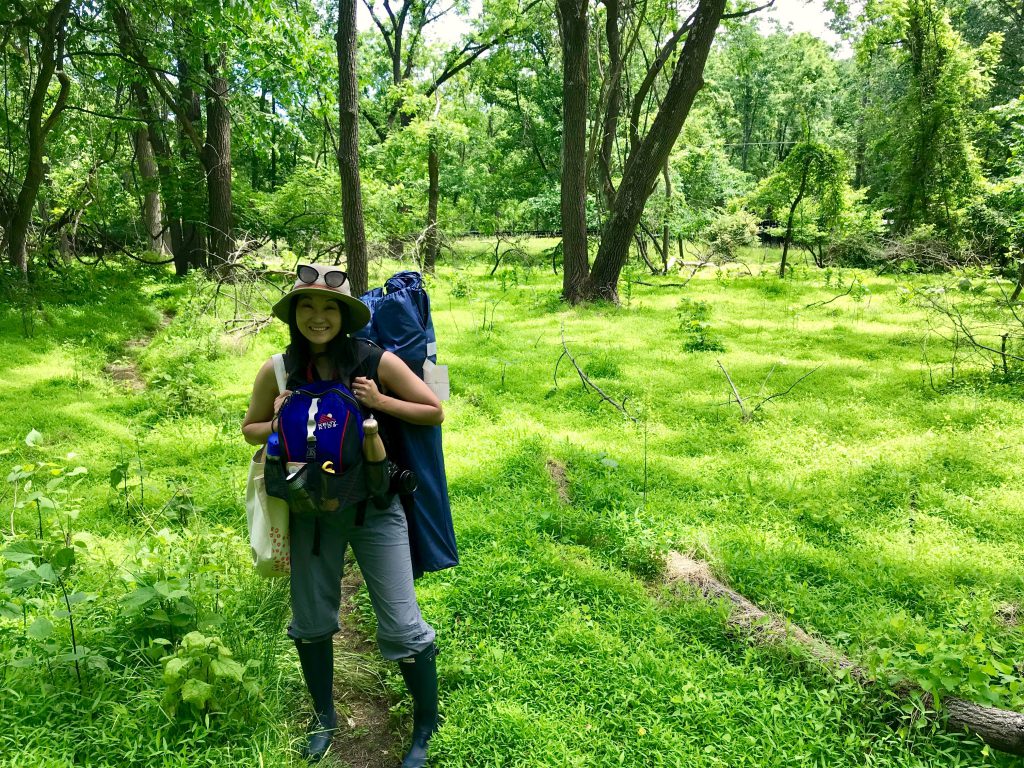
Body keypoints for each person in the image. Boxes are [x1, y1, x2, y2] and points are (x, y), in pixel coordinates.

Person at [242, 264, 444, 765]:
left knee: (401, 623)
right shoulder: (279, 369)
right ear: (293, 315)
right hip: (309, 512)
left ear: (344, 314)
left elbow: (433, 410)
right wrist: (279, 414)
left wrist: (380, 401)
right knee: (311, 620)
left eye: (328, 307)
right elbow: (250, 429)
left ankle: (425, 725)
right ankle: (325, 718)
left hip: (376, 506)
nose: (317, 317)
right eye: (306, 307)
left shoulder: (373, 360)